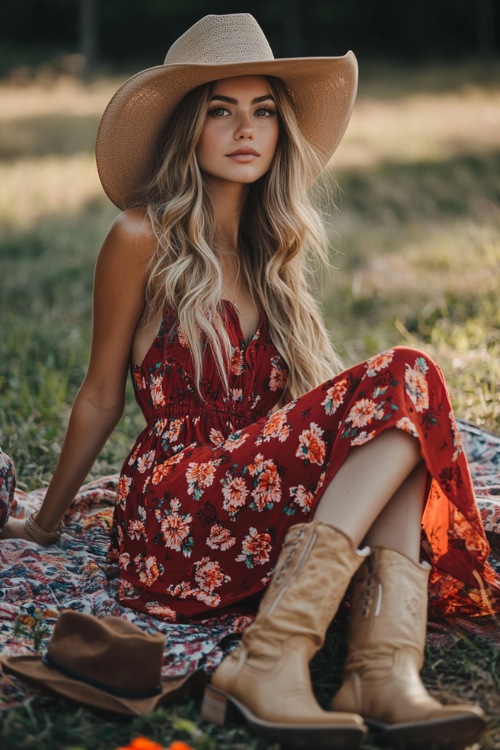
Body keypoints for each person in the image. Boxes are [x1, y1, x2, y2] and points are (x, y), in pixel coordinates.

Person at [1, 12, 497, 749]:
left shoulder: (272, 255)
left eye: (263, 111)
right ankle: (277, 657)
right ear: (187, 132)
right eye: (221, 111)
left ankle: (383, 670)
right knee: (409, 376)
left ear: (280, 131)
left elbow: (293, 417)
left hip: (255, 503)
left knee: (402, 419)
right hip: (176, 510)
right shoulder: (142, 236)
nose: (246, 130)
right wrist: (45, 524)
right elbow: (101, 393)